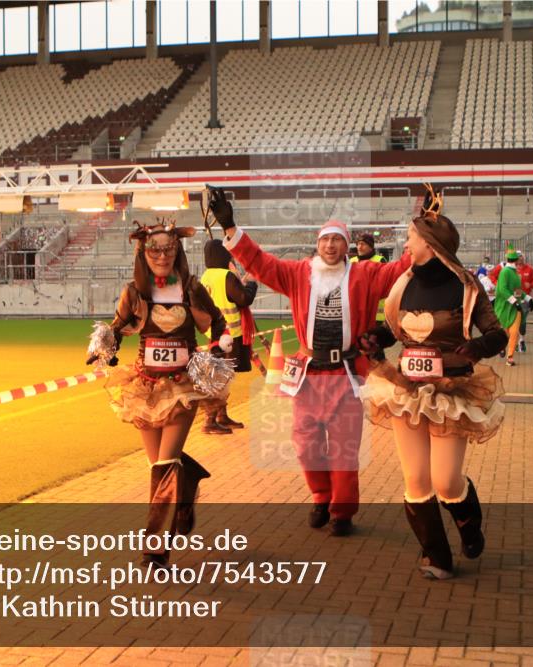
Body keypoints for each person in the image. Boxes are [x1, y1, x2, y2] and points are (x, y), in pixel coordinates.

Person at [208, 187, 411, 537]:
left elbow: (402, 270)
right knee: (306, 444)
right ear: (317, 245)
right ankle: (321, 496)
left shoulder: (364, 274)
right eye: (324, 240)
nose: (330, 246)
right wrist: (231, 229)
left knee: (345, 448)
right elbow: (260, 262)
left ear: (346, 247)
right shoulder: (299, 273)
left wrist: (424, 229)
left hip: (347, 374)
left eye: (337, 240)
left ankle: (342, 512)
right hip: (309, 374)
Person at [359, 190, 507, 580]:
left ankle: (467, 519)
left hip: (452, 392)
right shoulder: (403, 285)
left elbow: (498, 335)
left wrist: (477, 346)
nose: (406, 244)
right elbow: (395, 331)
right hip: (405, 390)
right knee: (416, 480)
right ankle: (435, 555)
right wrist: (376, 338)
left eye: (411, 238)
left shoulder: (466, 288)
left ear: (430, 244)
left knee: (445, 481)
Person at [96, 221, 231, 567]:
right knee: (156, 464)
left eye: (168, 249)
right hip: (143, 386)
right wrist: (105, 348)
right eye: (153, 249)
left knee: (166, 464)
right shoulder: (135, 292)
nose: (161, 255)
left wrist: (220, 343)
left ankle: (155, 548)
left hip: (183, 386)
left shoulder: (190, 287)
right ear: (143, 252)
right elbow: (117, 329)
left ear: (177, 250)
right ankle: (187, 490)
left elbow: (217, 321)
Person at [200, 239, 259, 435]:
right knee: (222, 379)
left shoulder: (206, 276)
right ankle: (210, 420)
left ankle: (221, 415)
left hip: (214, 334)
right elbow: (244, 298)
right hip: (229, 334)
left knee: (222, 376)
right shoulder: (225, 275)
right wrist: (251, 283)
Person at [492, 246, 524, 366]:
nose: (520, 260)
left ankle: (510, 356)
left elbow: (517, 290)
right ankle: (501, 347)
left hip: (515, 309)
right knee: (504, 332)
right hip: (504, 307)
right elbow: (502, 290)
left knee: (514, 332)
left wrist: (526, 298)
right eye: (518, 258)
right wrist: (514, 301)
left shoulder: (516, 274)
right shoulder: (505, 272)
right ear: (515, 260)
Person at [513, 253, 533, 353]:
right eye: (518, 258)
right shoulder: (511, 270)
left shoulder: (529, 269)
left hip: (525, 300)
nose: (520, 259)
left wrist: (530, 284)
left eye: (521, 257)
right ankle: (514, 342)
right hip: (514, 298)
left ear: (524, 258)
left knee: (522, 321)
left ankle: (522, 340)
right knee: (514, 320)